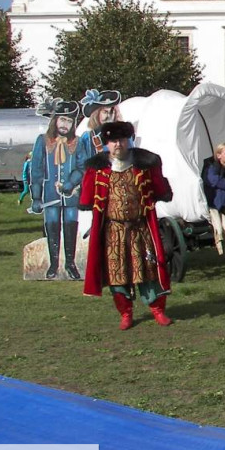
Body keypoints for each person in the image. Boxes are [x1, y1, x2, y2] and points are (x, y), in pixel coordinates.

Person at [80, 121, 174, 330]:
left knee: (150, 269)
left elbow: (159, 188)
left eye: (121, 140)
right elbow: (88, 198)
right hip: (113, 231)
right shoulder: (97, 168)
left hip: (141, 228)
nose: (118, 145)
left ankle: (158, 310)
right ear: (107, 144)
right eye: (113, 141)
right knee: (117, 274)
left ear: (128, 141)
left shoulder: (144, 163)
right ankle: (126, 313)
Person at [30, 100, 82, 280]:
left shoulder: (77, 142)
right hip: (49, 196)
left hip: (71, 196)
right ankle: (53, 264)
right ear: (55, 121)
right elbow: (36, 170)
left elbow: (82, 167)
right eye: (62, 120)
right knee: (52, 226)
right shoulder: (42, 141)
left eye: (69, 121)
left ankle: (70, 263)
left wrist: (70, 183)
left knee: (70, 225)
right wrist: (36, 197)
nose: (65, 125)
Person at [64, 88, 122, 196]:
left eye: (112, 111)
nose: (109, 116)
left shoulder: (123, 136)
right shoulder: (87, 137)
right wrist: (71, 183)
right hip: (96, 190)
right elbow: (80, 165)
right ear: (97, 113)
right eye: (105, 111)